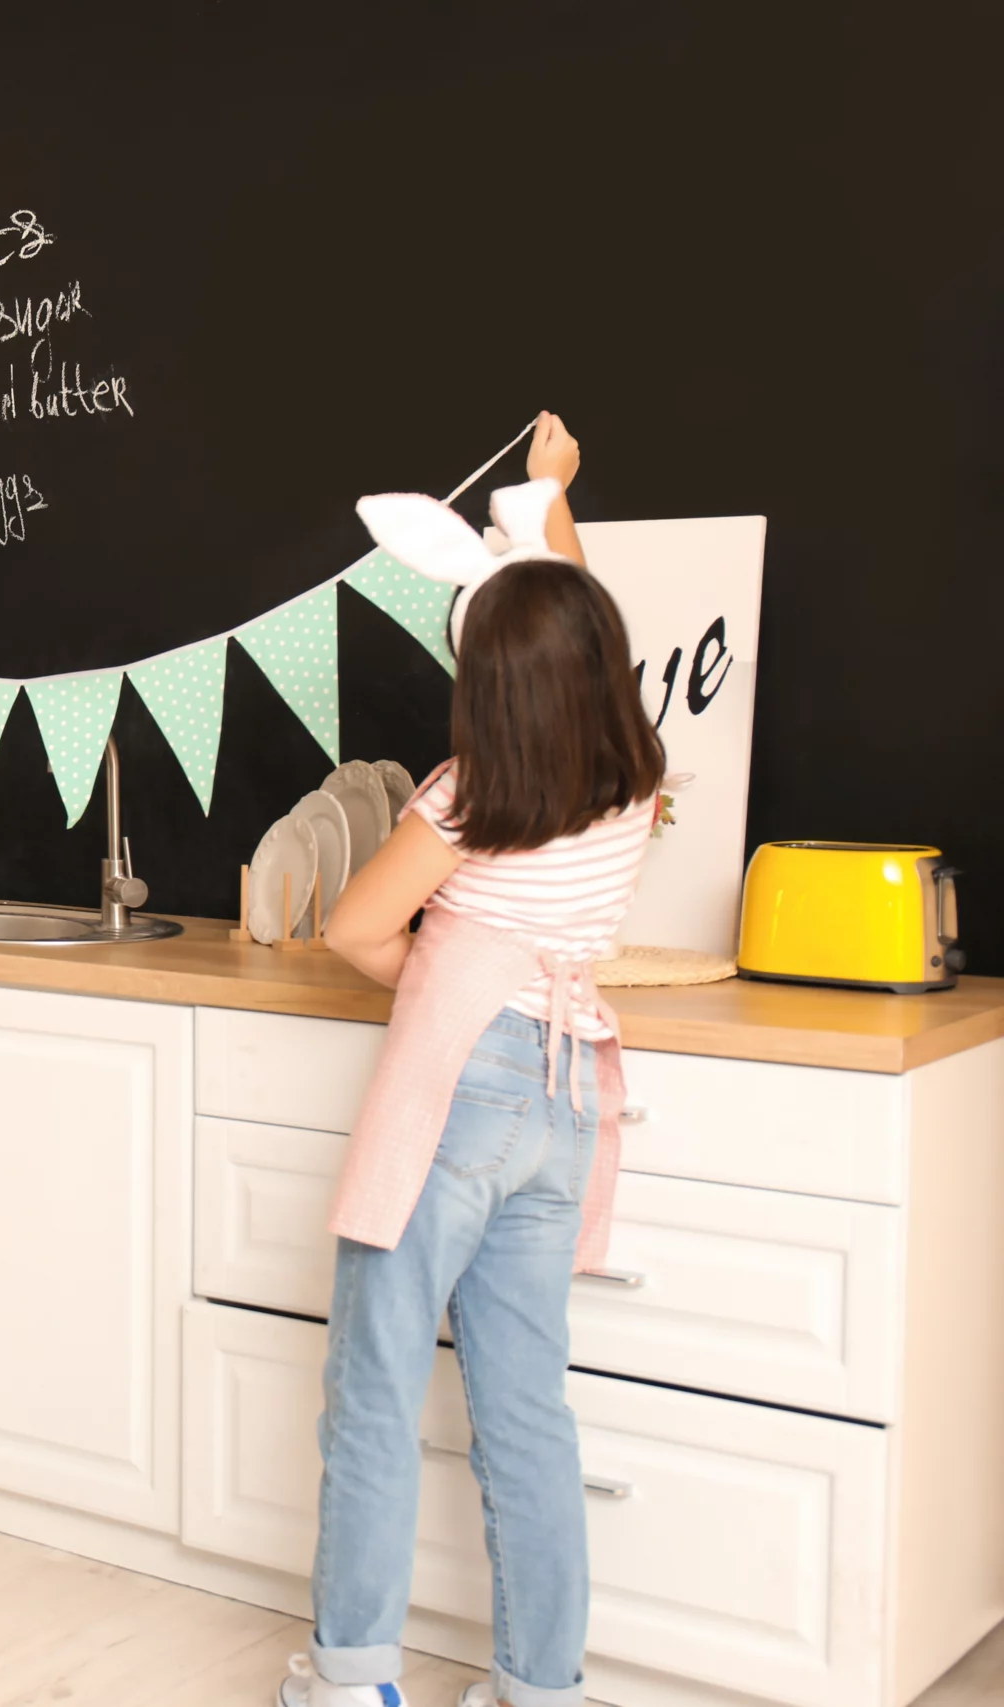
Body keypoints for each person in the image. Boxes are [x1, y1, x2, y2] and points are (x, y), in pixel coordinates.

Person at [277, 416, 664, 1707]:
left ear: (482, 678)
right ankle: (541, 1685)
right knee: (528, 1412)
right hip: (562, 1092)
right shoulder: (632, 776)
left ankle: (349, 1682)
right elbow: (577, 609)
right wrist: (552, 495)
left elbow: (351, 928)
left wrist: (452, 986)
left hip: (460, 1086)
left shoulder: (468, 788)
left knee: (378, 1394)